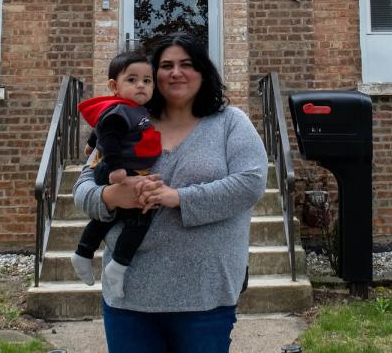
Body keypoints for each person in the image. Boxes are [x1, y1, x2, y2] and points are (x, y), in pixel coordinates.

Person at [73, 32, 268, 353]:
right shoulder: (126, 122)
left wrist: (178, 198)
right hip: (130, 298)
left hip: (205, 296)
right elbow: (83, 187)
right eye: (166, 65)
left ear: (203, 73)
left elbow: (250, 183)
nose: (176, 72)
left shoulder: (230, 123)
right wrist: (111, 198)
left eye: (187, 64)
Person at [71, 50, 162, 296]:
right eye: (131, 80)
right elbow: (110, 134)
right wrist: (115, 169)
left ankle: (83, 252)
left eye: (147, 80)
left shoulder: (131, 109)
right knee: (140, 218)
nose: (141, 86)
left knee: (107, 217)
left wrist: (91, 142)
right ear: (114, 85)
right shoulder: (123, 110)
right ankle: (119, 265)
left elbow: (103, 126)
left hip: (122, 168)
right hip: (116, 170)